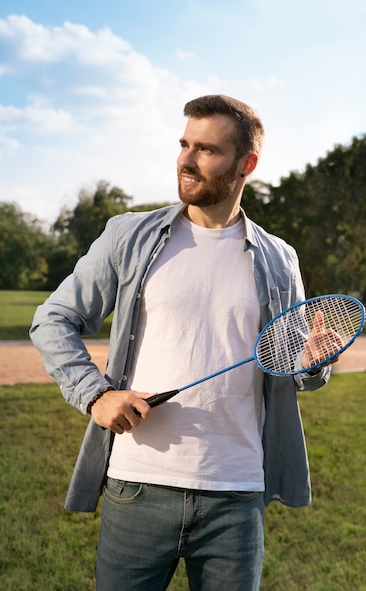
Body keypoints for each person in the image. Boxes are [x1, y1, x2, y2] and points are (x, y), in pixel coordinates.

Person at [30, 94, 334, 591]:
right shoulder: (129, 235)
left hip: (235, 493)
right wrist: (95, 394)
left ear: (246, 164)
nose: (187, 160)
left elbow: (293, 368)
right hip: (138, 485)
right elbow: (54, 318)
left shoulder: (281, 258)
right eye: (184, 144)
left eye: (208, 150)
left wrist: (313, 360)